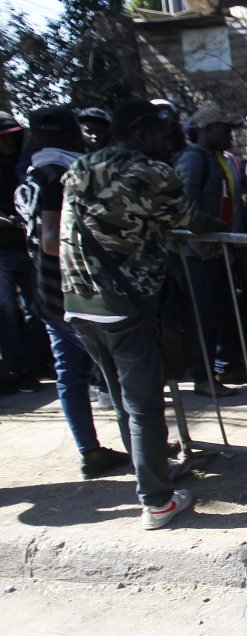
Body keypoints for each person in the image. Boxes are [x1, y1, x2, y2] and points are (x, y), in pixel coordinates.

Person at [60, 97, 225, 529]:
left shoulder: (78, 169)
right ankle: (156, 501)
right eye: (158, 132)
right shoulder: (151, 173)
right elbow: (191, 218)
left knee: (123, 401)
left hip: (77, 303)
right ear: (139, 134)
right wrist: (219, 228)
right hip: (123, 306)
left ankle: (152, 474)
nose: (167, 140)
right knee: (144, 405)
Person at [14, 106, 129, 477]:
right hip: (72, 290)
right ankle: (145, 452)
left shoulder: (31, 173)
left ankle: (92, 451)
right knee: (119, 370)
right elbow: (51, 240)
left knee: (72, 374)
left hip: (47, 287)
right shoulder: (58, 174)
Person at [174, 106, 247, 397]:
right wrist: (200, 246)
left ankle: (217, 371)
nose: (230, 134)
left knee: (216, 314)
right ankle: (202, 377)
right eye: (224, 129)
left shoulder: (214, 159)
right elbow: (184, 206)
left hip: (214, 251)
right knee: (201, 317)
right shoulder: (194, 159)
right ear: (205, 130)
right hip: (197, 257)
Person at [0, 111, 46, 394]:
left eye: (14, 137)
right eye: (6, 138)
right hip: (2, 252)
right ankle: (20, 369)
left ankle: (38, 362)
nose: (11, 142)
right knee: (7, 312)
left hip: (25, 247)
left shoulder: (22, 166)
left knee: (36, 308)